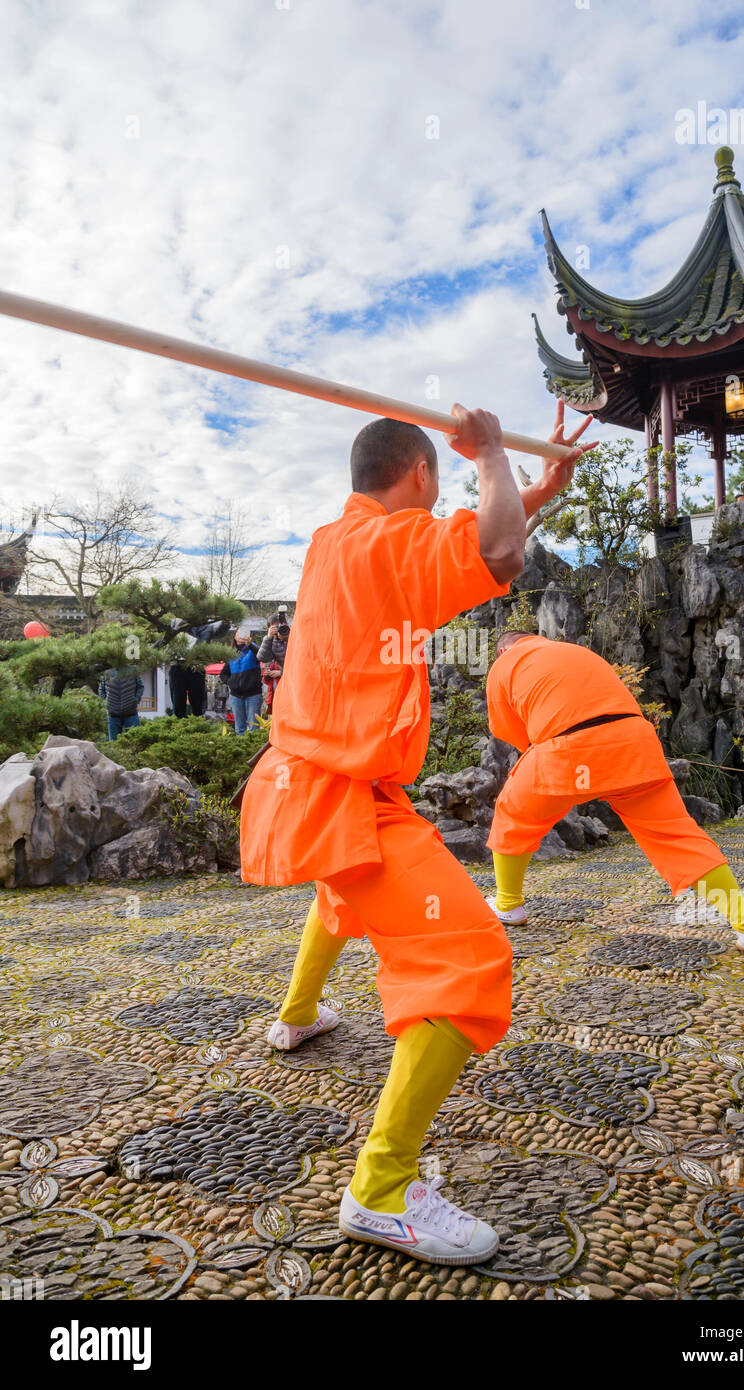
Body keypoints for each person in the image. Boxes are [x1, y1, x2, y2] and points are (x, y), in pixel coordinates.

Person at [240, 402, 594, 1264]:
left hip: (311, 779)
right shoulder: (389, 543)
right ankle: (382, 1188)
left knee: (341, 889)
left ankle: (294, 1017)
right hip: (342, 790)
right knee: (467, 958)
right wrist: (494, 453)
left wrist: (529, 489)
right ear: (422, 476)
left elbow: (477, 543)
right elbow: (498, 551)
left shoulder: (336, 543)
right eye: (443, 478)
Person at [483, 632, 744, 954]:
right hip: (634, 742)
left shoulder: (505, 664)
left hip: (564, 749)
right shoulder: (577, 651)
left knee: (513, 812)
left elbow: (509, 731)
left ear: (503, 649)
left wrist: (545, 768)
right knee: (678, 835)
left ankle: (509, 904)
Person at [219, 629, 262, 734]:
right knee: (239, 728)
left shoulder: (252, 649)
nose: (241, 634)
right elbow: (223, 674)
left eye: (244, 632)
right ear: (234, 636)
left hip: (253, 694)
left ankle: (255, 750)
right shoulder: (231, 654)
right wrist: (231, 682)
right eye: (238, 632)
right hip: (236, 695)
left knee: (254, 727)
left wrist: (250, 644)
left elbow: (260, 655)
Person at [256, 608, 290, 712]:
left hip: (294, 684)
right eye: (275, 627)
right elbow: (262, 658)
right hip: (280, 686)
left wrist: (281, 672)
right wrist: (269, 637)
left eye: (281, 626)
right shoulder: (271, 640)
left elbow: (301, 663)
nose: (279, 629)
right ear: (269, 628)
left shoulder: (294, 637)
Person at [99, 665, 144, 740]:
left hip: (131, 713)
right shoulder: (107, 673)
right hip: (113, 714)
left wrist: (135, 700)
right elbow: (101, 689)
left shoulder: (133, 670)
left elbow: (140, 687)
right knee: (114, 745)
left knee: (135, 741)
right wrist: (105, 703)